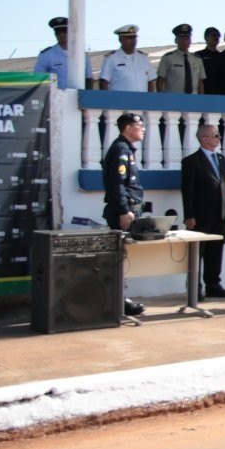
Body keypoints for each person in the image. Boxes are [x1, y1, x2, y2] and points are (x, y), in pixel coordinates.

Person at [180, 122, 225, 299]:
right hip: (201, 215)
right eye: (215, 135)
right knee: (198, 253)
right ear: (204, 138)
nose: (219, 138)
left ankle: (213, 285)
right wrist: (189, 215)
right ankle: (194, 288)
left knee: (215, 251)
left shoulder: (221, 159)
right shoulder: (191, 161)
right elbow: (187, 190)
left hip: (220, 214)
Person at [101, 112, 147, 318]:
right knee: (120, 258)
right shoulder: (121, 148)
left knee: (124, 257)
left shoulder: (126, 148)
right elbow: (117, 184)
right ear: (128, 128)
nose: (143, 129)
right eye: (140, 126)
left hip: (129, 208)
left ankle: (121, 299)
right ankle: (119, 301)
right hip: (122, 210)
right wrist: (123, 210)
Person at [97, 25, 154, 92]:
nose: (133, 41)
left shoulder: (143, 58)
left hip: (142, 98)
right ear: (121, 39)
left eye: (134, 38)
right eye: (129, 38)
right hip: (120, 98)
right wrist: (106, 98)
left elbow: (150, 81)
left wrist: (150, 97)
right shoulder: (111, 58)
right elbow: (103, 82)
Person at [156, 24, 207, 94]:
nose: (184, 42)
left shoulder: (197, 60)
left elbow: (200, 83)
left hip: (193, 98)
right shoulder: (168, 58)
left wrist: (200, 99)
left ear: (190, 41)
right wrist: (162, 98)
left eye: (187, 39)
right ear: (176, 40)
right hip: (173, 98)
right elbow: (160, 81)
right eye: (181, 39)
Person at [32, 16, 79, 89]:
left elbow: (88, 79)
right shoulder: (46, 55)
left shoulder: (82, 55)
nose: (61, 34)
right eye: (58, 32)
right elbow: (38, 79)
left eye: (64, 31)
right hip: (56, 95)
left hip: (79, 95)